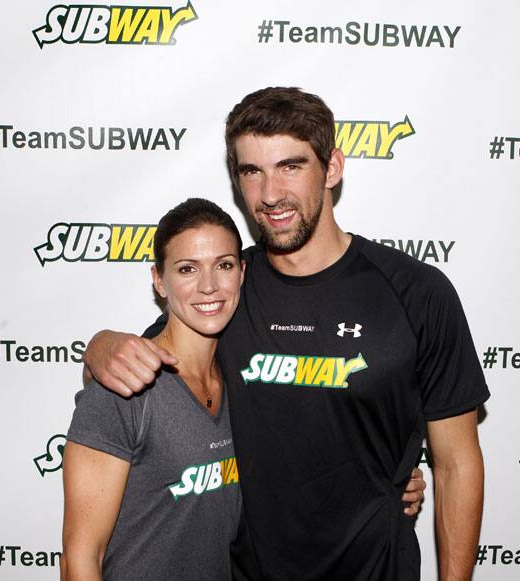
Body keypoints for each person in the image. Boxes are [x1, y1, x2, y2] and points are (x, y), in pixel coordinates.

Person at [85, 87, 489, 580]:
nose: (270, 193)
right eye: (251, 171)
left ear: (332, 168)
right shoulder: (227, 291)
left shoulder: (417, 293)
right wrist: (100, 344)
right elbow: (140, 361)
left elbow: (456, 464)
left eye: (290, 166)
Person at [61, 199, 245, 580]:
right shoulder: (122, 390)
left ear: (241, 273)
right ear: (159, 280)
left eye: (223, 265)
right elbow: (80, 560)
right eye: (187, 269)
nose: (209, 285)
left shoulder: (246, 383)